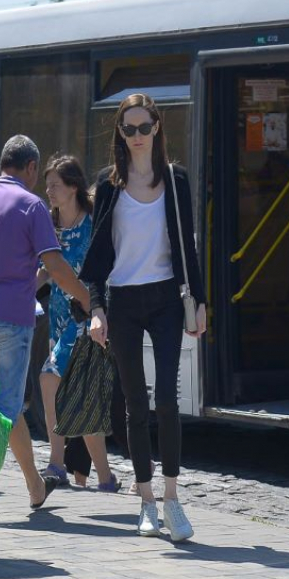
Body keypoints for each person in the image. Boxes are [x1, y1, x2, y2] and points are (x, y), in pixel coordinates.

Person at [80, 93, 207, 541]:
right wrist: (96, 308)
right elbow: (96, 255)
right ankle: (147, 501)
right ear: (120, 133)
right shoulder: (109, 184)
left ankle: (173, 499)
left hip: (168, 298)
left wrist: (201, 301)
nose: (136, 136)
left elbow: (188, 248)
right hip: (123, 301)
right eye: (128, 129)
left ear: (157, 127)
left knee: (167, 400)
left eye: (143, 127)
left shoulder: (176, 180)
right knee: (135, 404)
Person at [0, 135, 91, 518]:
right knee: (6, 409)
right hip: (12, 319)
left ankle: (34, 487)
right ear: (31, 167)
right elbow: (56, 264)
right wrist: (85, 297)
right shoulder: (31, 206)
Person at [37, 154, 119, 492]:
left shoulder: (92, 225)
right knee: (79, 400)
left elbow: (103, 271)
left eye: (55, 185)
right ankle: (105, 478)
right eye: (48, 185)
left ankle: (57, 463)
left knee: (49, 379)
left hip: (86, 319)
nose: (49, 191)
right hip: (59, 318)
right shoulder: (52, 226)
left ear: (73, 187)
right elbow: (48, 269)